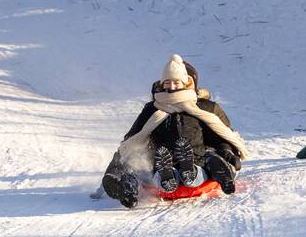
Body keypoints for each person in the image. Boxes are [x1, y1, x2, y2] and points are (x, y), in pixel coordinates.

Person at [101, 55, 246, 208]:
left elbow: (222, 136)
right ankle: (128, 188)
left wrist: (227, 153)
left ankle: (200, 172)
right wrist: (114, 170)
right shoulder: (152, 109)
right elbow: (131, 142)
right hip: (162, 163)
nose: (172, 87)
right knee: (141, 166)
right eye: (168, 82)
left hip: (197, 160)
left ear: (188, 83)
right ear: (162, 83)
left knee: (208, 159)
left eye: (177, 82)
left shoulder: (204, 107)